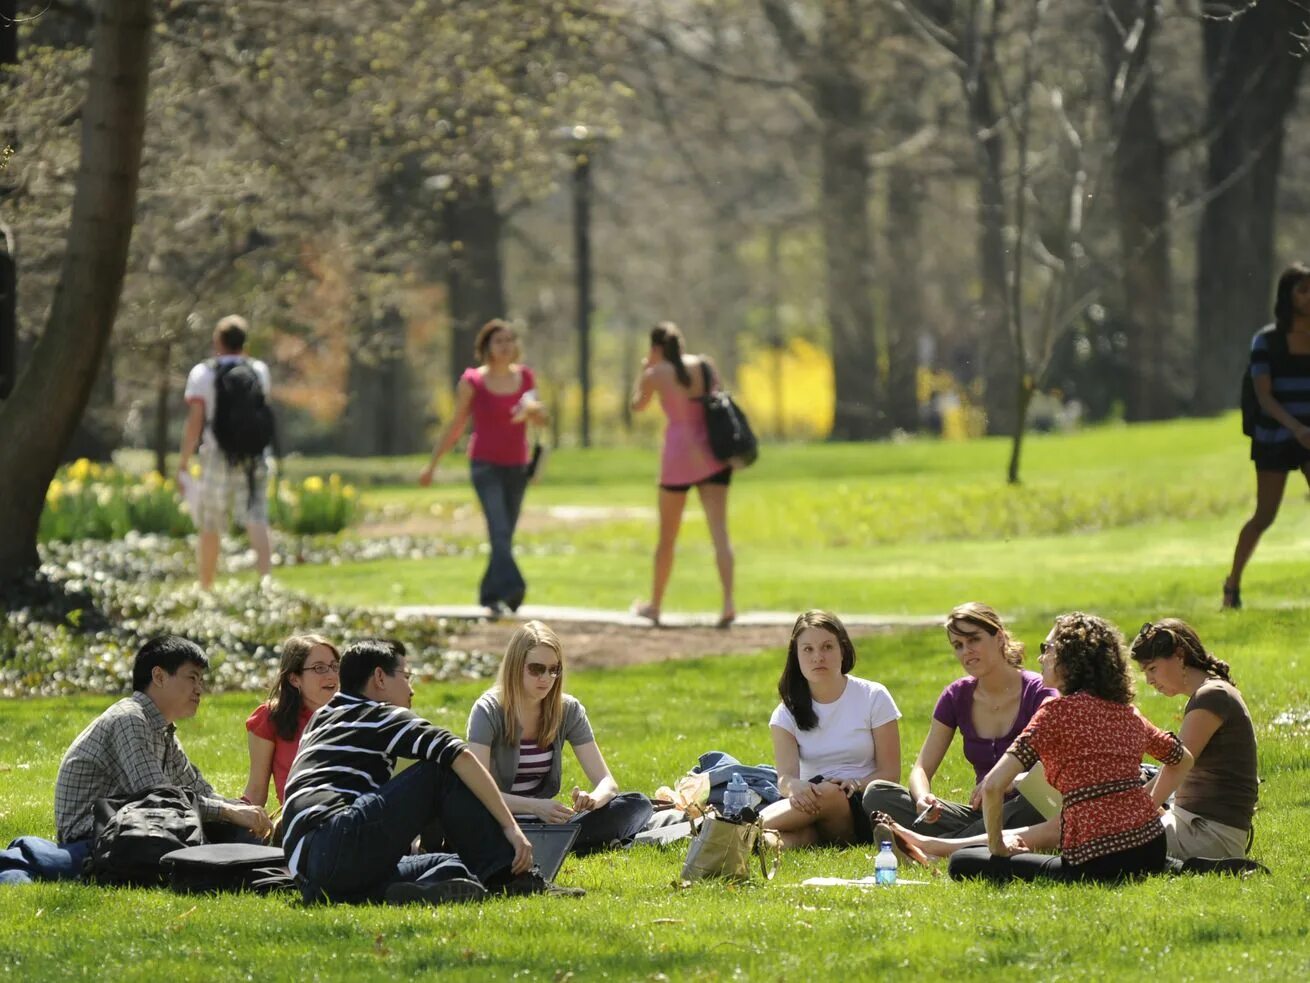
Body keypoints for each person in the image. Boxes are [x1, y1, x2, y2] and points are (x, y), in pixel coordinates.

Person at [281, 639, 579, 906]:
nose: (411, 688)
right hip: (337, 842)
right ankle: (511, 879)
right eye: (406, 676)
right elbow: (459, 755)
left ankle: (412, 889)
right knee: (440, 769)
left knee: (456, 865)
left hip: (313, 879)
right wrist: (511, 828)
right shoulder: (378, 715)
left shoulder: (322, 718)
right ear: (380, 677)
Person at [946, 612, 1193, 884]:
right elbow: (1182, 760)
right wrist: (1145, 805)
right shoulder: (1127, 712)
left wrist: (998, 849)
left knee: (963, 861)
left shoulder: (1055, 712)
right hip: (1150, 847)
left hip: (1095, 860)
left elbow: (993, 786)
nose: (1041, 658)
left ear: (1070, 657)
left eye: (1047, 649)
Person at [54, 635, 273, 851]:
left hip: (130, 828)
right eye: (192, 678)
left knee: (239, 834)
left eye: (201, 681)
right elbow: (161, 799)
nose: (199, 689)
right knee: (220, 841)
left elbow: (199, 790)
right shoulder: (129, 720)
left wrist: (244, 811)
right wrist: (227, 812)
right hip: (90, 837)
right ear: (159, 676)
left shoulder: (163, 730)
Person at [863, 602, 1057, 837]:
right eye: (958, 645)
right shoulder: (956, 696)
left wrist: (1011, 780)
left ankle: (940, 845)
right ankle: (968, 840)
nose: (966, 651)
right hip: (981, 812)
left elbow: (1055, 769)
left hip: (1029, 807)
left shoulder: (1040, 692)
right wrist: (923, 797)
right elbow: (921, 768)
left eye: (974, 640)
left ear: (999, 637)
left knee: (1033, 803)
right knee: (878, 794)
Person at [467, 621, 653, 855]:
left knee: (637, 804)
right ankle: (566, 843)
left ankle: (554, 842)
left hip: (548, 824)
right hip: (498, 821)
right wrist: (535, 807)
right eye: (536, 669)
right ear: (515, 666)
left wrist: (592, 800)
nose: (546, 677)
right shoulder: (488, 710)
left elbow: (607, 782)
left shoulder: (568, 710)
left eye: (554, 669)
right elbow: (477, 790)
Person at [418, 319, 546, 617]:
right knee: (499, 530)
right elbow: (456, 424)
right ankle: (514, 587)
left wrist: (537, 413)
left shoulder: (526, 378)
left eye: (509, 340)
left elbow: (540, 419)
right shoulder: (473, 381)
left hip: (517, 466)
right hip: (485, 466)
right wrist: (432, 464)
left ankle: (489, 594)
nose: (505, 346)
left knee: (504, 535)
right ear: (486, 346)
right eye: (499, 341)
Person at [760, 610, 901, 849]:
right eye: (808, 649)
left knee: (832, 792)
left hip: (861, 802)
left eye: (827, 647)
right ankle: (759, 839)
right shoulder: (786, 712)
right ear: (796, 656)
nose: (818, 657)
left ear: (843, 650)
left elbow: (891, 773)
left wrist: (856, 783)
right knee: (777, 843)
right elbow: (785, 778)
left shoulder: (874, 696)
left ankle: (739, 830)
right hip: (810, 803)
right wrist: (795, 786)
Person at [628, 321, 735, 628]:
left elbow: (638, 405)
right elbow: (717, 397)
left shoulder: (655, 374)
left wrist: (644, 370)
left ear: (656, 347)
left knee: (667, 538)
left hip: (677, 457)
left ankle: (655, 605)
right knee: (720, 533)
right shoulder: (705, 365)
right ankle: (728, 603)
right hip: (712, 455)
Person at [1129, 619, 1258, 861]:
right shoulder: (1208, 694)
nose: (1149, 680)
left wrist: (1131, 819)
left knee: (1106, 844)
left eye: (1152, 669)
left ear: (1179, 655)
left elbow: (1176, 766)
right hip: (1195, 825)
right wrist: (1129, 805)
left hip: (1210, 836)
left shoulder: (1212, 696)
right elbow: (1169, 771)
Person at [1224, 262, 1310, 608]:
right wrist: (1296, 428)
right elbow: (1264, 396)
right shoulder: (1266, 341)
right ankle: (1232, 585)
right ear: (1288, 297)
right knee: (1265, 515)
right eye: (1303, 290)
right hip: (1276, 434)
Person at [178, 314, 274, 590]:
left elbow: (196, 421)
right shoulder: (258, 370)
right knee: (257, 516)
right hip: (255, 454)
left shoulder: (203, 373)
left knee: (211, 522)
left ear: (217, 341)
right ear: (244, 342)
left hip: (217, 455)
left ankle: (206, 586)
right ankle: (265, 582)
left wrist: (184, 461)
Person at [242, 634, 340, 809]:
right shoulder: (271, 718)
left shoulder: (353, 715)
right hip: (305, 820)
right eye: (319, 668)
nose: (332, 675)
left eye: (334, 667)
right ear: (294, 679)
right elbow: (256, 790)